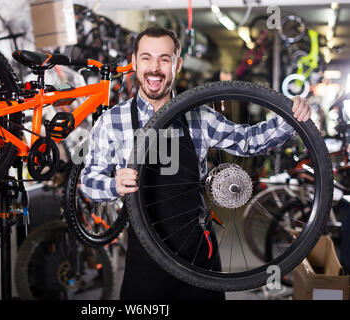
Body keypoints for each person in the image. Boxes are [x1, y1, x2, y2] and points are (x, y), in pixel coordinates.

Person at [80, 26, 312, 300]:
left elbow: (247, 140)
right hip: (145, 255)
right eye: (146, 58)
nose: (155, 68)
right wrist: (113, 184)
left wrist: (290, 119)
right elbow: (88, 180)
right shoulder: (112, 121)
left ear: (177, 64)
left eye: (164, 59)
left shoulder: (198, 117)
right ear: (134, 62)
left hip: (198, 251)